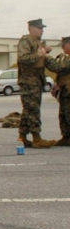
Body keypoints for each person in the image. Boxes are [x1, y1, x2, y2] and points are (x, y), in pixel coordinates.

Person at [17, 19, 55, 148]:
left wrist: (44, 52)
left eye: (42, 28)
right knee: (33, 109)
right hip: (29, 80)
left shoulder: (37, 42)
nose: (41, 31)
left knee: (28, 109)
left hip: (36, 80)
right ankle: (37, 138)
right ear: (31, 29)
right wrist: (39, 54)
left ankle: (22, 137)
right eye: (39, 28)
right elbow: (23, 58)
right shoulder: (26, 41)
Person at [45, 36, 70, 146]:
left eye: (63, 45)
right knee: (64, 114)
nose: (62, 48)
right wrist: (58, 84)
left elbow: (59, 68)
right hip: (65, 90)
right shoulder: (65, 57)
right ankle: (66, 137)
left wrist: (47, 57)